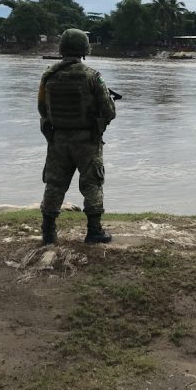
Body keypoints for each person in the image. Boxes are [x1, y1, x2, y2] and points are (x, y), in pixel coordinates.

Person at [38, 28, 116, 245]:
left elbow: (42, 108)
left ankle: (48, 233)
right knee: (92, 183)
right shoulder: (92, 76)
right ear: (85, 49)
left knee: (54, 184)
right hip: (87, 141)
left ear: (62, 48)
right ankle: (94, 231)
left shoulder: (48, 75)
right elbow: (109, 111)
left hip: (58, 140)